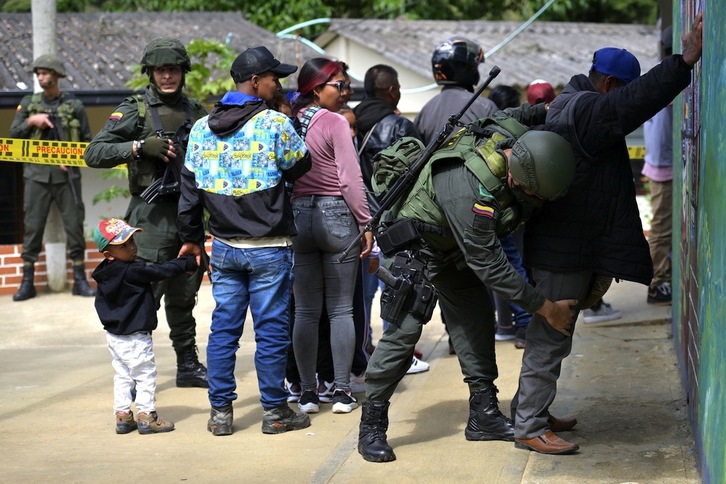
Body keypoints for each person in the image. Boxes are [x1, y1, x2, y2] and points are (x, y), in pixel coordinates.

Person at [513, 15, 704, 455]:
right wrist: (683, 62)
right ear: (611, 86)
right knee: (551, 335)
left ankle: (535, 413)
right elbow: (632, 105)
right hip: (563, 253)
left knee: (555, 335)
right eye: (621, 91)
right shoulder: (585, 109)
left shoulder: (569, 103)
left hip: (564, 246)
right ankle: (528, 427)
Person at [358, 104, 578, 463]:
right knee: (403, 334)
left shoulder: (518, 141)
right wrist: (545, 308)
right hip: (414, 248)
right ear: (516, 178)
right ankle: (372, 426)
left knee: (476, 320)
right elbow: (489, 263)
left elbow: (514, 113)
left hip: (451, 248)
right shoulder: (470, 189)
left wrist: (546, 109)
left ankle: (483, 416)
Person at [177, 46, 312, 436]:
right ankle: (274, 413)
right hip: (269, 248)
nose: (280, 84)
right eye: (275, 78)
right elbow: (302, 165)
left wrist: (191, 239)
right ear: (256, 82)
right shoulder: (273, 124)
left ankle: (220, 414)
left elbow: (188, 194)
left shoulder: (201, 128)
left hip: (224, 248)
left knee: (224, 330)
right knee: (270, 330)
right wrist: (289, 120)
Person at [85, 38, 209, 389]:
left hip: (188, 214)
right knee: (144, 295)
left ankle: (187, 363)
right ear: (151, 73)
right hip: (149, 215)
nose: (167, 75)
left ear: (183, 71)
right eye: (160, 70)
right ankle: (135, 372)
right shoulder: (135, 109)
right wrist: (139, 147)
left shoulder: (195, 111)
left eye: (173, 69)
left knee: (185, 294)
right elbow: (95, 153)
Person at [288, 57, 374, 415]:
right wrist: (366, 222)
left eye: (345, 85)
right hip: (337, 215)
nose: (345, 92)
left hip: (297, 217)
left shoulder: (290, 123)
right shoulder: (335, 122)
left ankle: (308, 393)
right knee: (340, 310)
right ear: (315, 88)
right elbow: (350, 180)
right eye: (338, 85)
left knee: (306, 311)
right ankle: (341, 392)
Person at [353, 64, 430, 370]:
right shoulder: (399, 127)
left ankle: (364, 352)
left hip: (360, 219)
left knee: (364, 295)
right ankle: (398, 356)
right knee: (398, 288)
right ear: (391, 90)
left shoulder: (349, 122)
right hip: (395, 220)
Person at [92, 217, 197, 435]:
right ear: (108, 254)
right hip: (136, 337)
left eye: (131, 241)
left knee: (122, 376)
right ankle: (147, 416)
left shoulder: (104, 274)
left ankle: (123, 416)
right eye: (123, 245)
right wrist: (185, 263)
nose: (132, 247)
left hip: (115, 337)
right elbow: (160, 271)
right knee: (145, 376)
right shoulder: (131, 271)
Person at [10, 53, 96, 302]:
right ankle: (27, 282)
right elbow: (13, 136)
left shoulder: (75, 106)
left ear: (57, 75)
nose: (41, 76)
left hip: (66, 176)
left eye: (45, 72)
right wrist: (31, 120)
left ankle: (79, 280)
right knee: (33, 227)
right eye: (38, 73)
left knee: (74, 226)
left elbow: (88, 144)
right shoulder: (28, 103)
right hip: (36, 176)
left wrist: (69, 157)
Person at [487, 84, 531, 349]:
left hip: (481, 208)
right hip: (508, 209)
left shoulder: (482, 128)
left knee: (495, 265)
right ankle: (524, 323)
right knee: (514, 262)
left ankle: (504, 325)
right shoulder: (516, 132)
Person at [642, 26, 675, 306]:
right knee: (662, 229)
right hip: (663, 164)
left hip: (659, 162)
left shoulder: (659, 72)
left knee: (663, 227)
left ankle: (661, 278)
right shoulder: (670, 75)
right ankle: (657, 284)